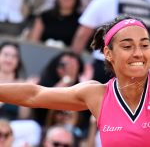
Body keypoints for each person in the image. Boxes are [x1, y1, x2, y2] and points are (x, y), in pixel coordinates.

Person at [0, 14, 149, 146]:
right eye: (127, 46)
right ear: (108, 54)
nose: (138, 53)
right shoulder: (97, 95)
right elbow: (34, 95)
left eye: (145, 45)